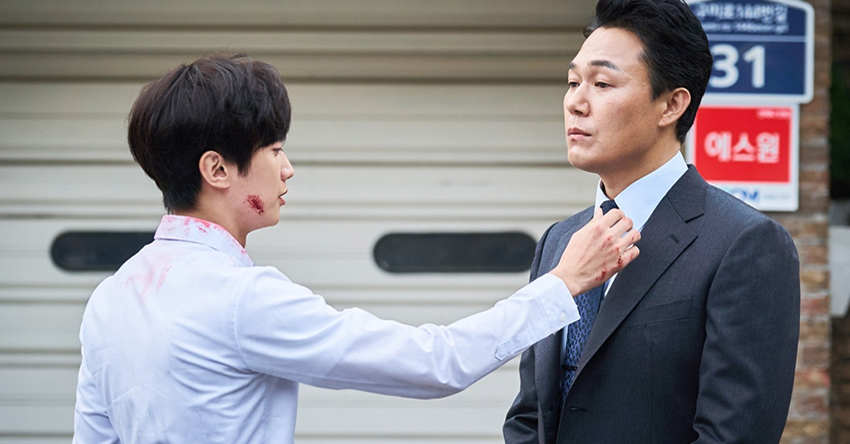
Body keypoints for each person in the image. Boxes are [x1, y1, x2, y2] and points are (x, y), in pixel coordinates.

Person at [72, 53, 641, 443]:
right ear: (216, 169)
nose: (287, 169)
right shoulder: (241, 299)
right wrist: (562, 284)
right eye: (274, 149)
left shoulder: (110, 298)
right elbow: (435, 364)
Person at [502, 0, 801, 443]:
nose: (576, 103)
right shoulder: (559, 241)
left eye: (602, 83)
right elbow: (530, 415)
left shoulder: (745, 243)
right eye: (573, 82)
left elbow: (734, 434)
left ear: (671, 105)